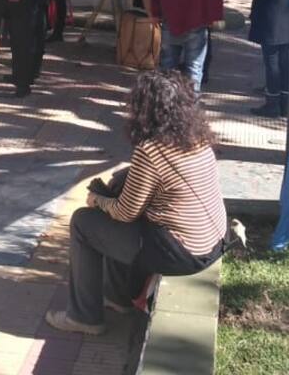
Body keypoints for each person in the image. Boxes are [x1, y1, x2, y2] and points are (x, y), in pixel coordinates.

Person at [45, 70, 226, 335]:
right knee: (120, 191)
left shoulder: (151, 150)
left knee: (84, 221)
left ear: (144, 109)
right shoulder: (198, 138)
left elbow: (125, 213)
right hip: (212, 242)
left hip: (182, 253)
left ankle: (83, 317)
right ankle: (117, 297)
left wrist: (97, 200)